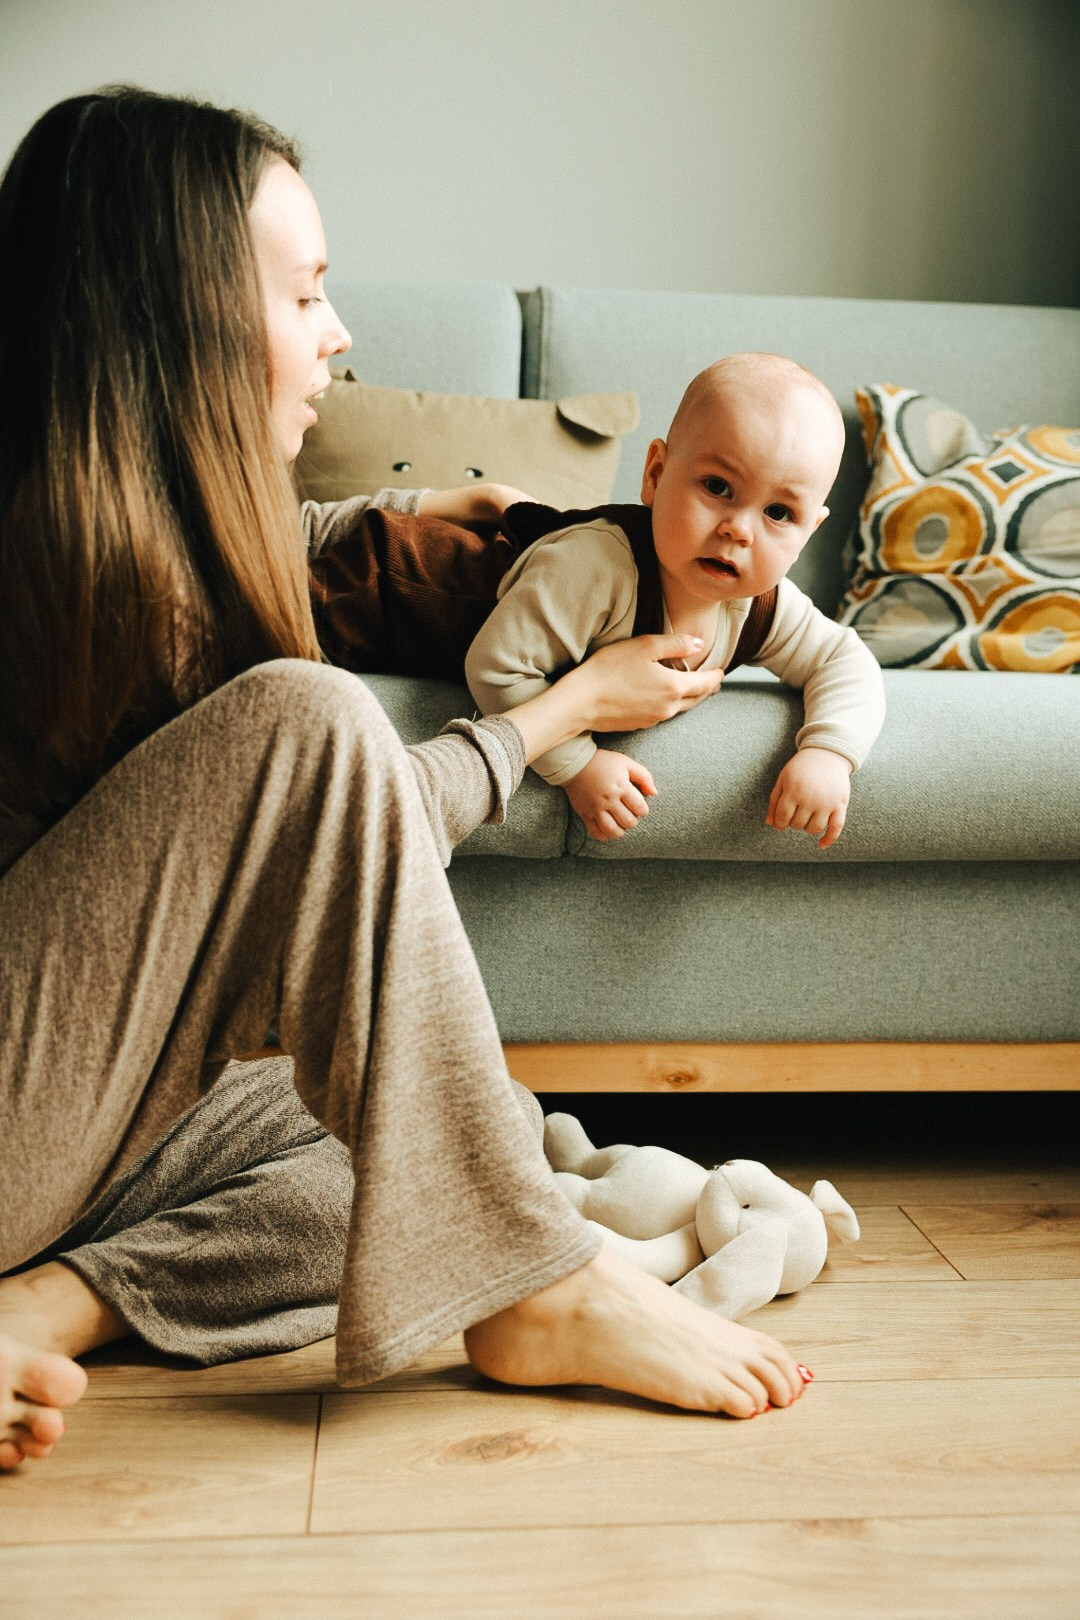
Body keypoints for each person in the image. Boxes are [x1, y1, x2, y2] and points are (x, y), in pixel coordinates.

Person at [0, 87, 811, 1472]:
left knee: (411, 1168)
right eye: (306, 293)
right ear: (180, 319)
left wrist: (412, 508)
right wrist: (557, 715)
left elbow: (302, 812)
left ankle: (50, 1303)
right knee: (310, 724)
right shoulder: (55, 570)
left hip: (57, 1127)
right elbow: (334, 810)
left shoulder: (133, 542)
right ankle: (535, 1289)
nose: (339, 333)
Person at [465, 354, 887, 846]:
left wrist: (830, 753)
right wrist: (578, 764)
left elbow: (844, 659)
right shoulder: (595, 565)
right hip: (403, 589)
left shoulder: (761, 606)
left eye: (778, 512)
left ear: (809, 532)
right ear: (656, 474)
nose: (739, 530)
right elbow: (497, 667)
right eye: (718, 487)